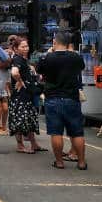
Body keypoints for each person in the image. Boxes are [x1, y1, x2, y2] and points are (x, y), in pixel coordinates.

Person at [37, 31, 87, 170]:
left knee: (56, 132)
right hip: (71, 97)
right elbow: (81, 67)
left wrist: (48, 53)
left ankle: (59, 162)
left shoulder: (48, 57)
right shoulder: (75, 57)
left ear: (55, 42)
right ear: (68, 44)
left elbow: (39, 70)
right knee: (77, 132)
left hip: (53, 98)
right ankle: (81, 162)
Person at [9, 39, 44, 153]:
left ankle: (34, 144)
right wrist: (19, 80)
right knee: (20, 121)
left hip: (28, 94)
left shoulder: (24, 60)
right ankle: (20, 146)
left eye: (26, 46)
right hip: (20, 96)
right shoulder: (17, 59)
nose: (26, 48)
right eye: (22, 47)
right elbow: (14, 72)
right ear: (15, 48)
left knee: (30, 119)